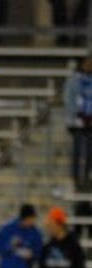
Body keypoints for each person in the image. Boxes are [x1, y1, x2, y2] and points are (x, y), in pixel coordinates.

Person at [62, 57, 92, 190]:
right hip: (77, 121)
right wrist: (79, 114)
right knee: (78, 151)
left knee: (90, 151)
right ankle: (76, 178)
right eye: (87, 63)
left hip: (90, 122)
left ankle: (87, 176)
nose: (89, 66)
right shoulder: (74, 80)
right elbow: (68, 99)